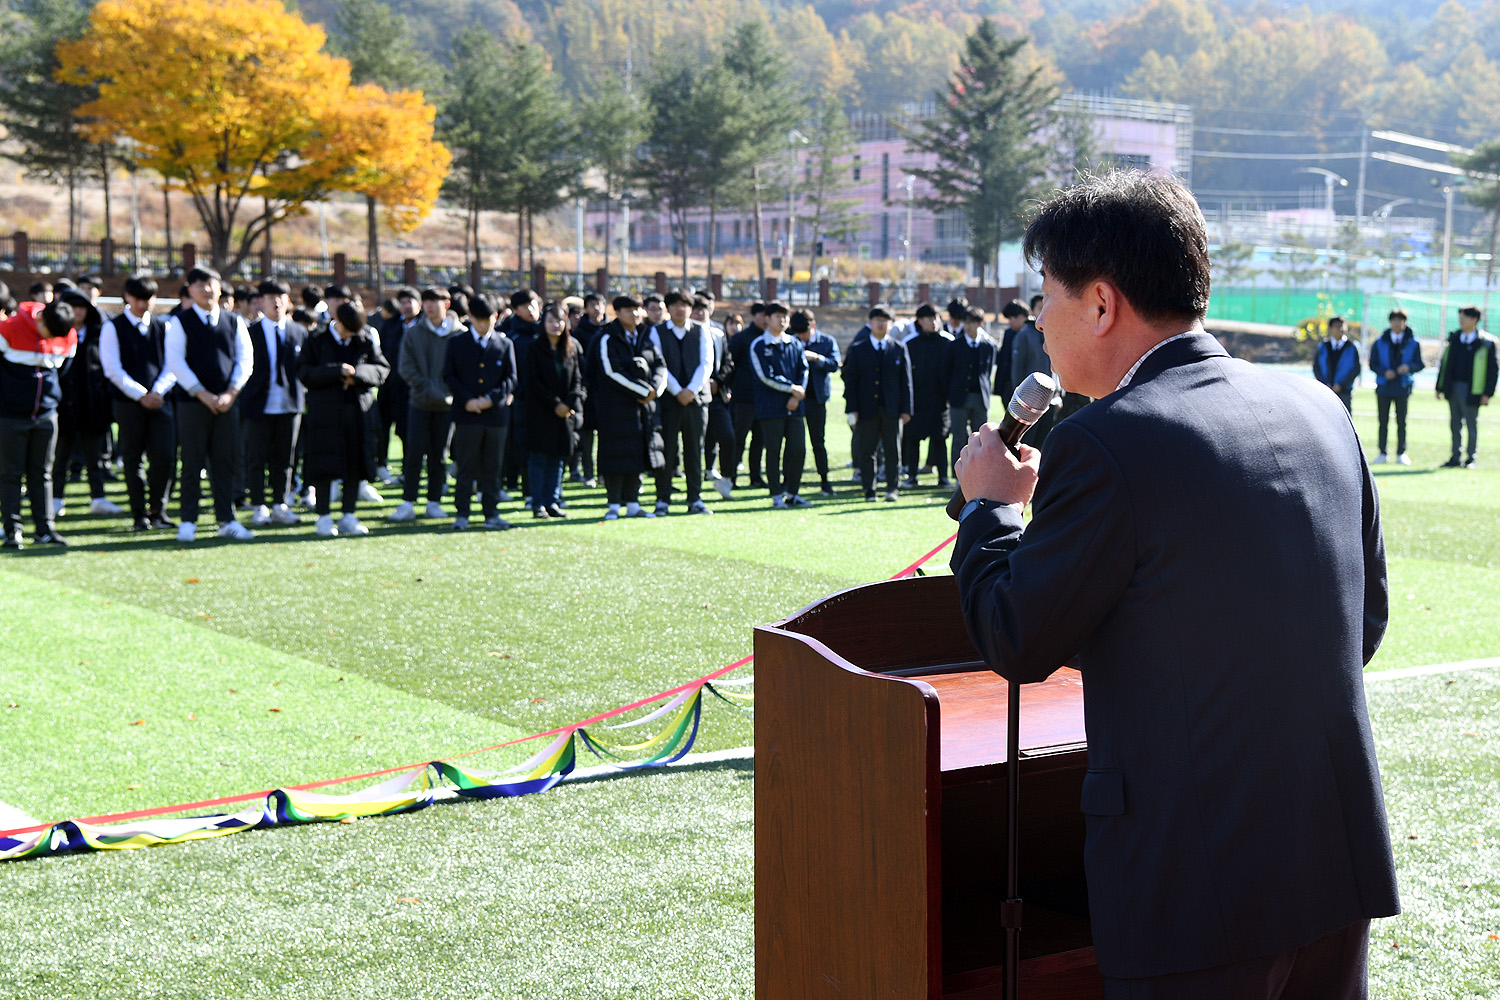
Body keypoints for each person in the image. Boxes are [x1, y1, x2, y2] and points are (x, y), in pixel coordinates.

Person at [951, 171, 1397, 997]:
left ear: (1100, 303)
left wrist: (989, 510)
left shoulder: (1107, 441)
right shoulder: (1317, 407)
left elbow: (1014, 635)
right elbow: (1359, 622)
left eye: (1043, 295)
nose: (1035, 321)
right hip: (1330, 859)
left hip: (1195, 882)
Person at [164, 266, 256, 542]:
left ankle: (226, 519)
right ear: (190, 290)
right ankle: (188, 520)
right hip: (193, 403)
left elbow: (245, 359)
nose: (206, 290)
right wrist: (201, 393)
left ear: (219, 288)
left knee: (225, 462)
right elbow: (175, 362)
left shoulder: (234, 321)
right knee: (191, 461)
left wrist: (231, 392)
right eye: (199, 285)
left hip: (227, 402)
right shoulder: (179, 322)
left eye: (211, 284)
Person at [297, 300, 389, 537]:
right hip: (325, 414)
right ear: (337, 322)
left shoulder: (364, 339)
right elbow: (304, 372)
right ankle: (324, 516)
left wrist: (357, 374)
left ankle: (349, 514)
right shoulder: (316, 339)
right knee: (324, 466)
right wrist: (337, 370)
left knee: (354, 465)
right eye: (346, 330)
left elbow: (381, 369)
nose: (349, 335)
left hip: (357, 413)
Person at [100, 276, 176, 531]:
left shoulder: (163, 326)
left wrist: (157, 392)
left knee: (164, 456)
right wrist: (141, 394)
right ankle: (139, 514)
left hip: (160, 400)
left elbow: (172, 364)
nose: (144, 304)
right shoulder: (113, 327)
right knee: (133, 459)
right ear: (128, 298)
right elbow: (112, 369)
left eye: (149, 299)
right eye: (139, 299)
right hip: (128, 403)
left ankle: (158, 510)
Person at [0, 299, 78, 548]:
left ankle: (45, 529)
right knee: (11, 474)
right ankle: (12, 530)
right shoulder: (8, 328)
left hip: (46, 415)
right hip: (11, 415)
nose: (52, 339)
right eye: (50, 333)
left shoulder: (66, 333)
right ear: (40, 318)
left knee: (43, 473)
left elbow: (62, 372)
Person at [443, 294, 517, 531]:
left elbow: (511, 379)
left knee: (493, 467)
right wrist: (468, 400)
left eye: (489, 319)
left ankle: (491, 512)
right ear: (470, 318)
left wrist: (490, 400)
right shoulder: (457, 343)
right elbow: (449, 375)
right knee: (465, 466)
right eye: (479, 319)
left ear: (496, 317)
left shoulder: (505, 344)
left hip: (495, 416)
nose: (484, 325)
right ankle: (462, 513)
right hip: (466, 415)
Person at [589, 294, 667, 520]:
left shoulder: (645, 335)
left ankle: (633, 503)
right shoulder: (607, 337)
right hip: (615, 409)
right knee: (615, 456)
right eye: (628, 310)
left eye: (637, 310)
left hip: (643, 410)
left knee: (637, 454)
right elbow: (611, 372)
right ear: (618, 313)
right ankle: (614, 503)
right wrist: (643, 392)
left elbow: (660, 365)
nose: (634, 314)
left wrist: (655, 389)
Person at [240, 279, 305, 528]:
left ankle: (281, 503)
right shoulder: (250, 331)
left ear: (288, 301)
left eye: (281, 297)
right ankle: (259, 505)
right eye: (270, 297)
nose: (276, 302)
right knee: (256, 457)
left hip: (289, 405)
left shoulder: (298, 331)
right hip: (258, 404)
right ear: (261, 301)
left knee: (285, 458)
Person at [51, 288, 120, 518]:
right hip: (64, 408)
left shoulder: (99, 334)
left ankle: (98, 498)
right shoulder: (56, 336)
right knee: (60, 457)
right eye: (73, 307)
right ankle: (56, 499)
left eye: (82, 307)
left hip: (93, 407)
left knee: (95, 458)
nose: (78, 312)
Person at [392, 286, 459, 521]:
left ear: (447, 304)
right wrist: (426, 387)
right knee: (413, 453)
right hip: (419, 402)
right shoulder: (414, 332)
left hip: (447, 405)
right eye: (426, 301)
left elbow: (461, 369)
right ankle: (408, 502)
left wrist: (446, 390)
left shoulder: (458, 334)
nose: (429, 306)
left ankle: (434, 501)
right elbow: (406, 367)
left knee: (439, 456)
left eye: (435, 301)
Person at [649, 290, 715, 515]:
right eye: (675, 305)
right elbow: (660, 364)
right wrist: (677, 390)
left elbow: (707, 364)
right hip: (668, 400)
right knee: (666, 450)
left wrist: (691, 390)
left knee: (695, 451)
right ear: (668, 308)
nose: (680, 309)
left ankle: (695, 499)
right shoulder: (656, 332)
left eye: (684, 305)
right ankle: (662, 499)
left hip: (696, 401)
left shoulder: (701, 330)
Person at [844, 305, 912, 502]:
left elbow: (906, 382)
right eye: (877, 320)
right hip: (866, 409)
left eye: (885, 320)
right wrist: (852, 409)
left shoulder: (899, 348)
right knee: (867, 450)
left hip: (892, 409)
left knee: (893, 450)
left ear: (891, 324)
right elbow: (851, 381)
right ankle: (869, 489)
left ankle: (892, 488)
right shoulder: (858, 349)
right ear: (870, 323)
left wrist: (906, 409)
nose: (881, 324)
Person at [526, 301, 585, 520]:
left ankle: (552, 501)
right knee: (539, 459)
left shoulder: (571, 347)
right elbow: (533, 381)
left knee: (558, 459)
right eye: (551, 321)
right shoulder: (534, 347)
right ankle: (538, 503)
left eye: (560, 320)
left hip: (564, 415)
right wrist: (555, 404)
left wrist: (568, 403)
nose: (555, 325)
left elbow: (578, 379)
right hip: (542, 412)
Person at [749, 301, 812, 508]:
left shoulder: (794, 343)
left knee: (798, 449)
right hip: (771, 407)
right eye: (778, 316)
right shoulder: (759, 345)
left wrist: (797, 393)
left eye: (785, 316)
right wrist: (791, 389)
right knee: (774, 451)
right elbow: (765, 376)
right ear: (767, 319)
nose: (783, 320)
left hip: (795, 406)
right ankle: (776, 494)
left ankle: (792, 492)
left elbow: (803, 370)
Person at [1435, 306, 1497, 469]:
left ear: (1474, 320)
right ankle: (1455, 456)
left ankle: (1471, 458)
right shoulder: (1454, 338)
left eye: (1465, 318)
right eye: (1460, 318)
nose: (1461, 321)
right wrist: (1440, 386)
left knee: (1471, 424)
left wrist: (1487, 393)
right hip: (1453, 386)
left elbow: (1492, 370)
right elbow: (1445, 363)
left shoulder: (1486, 343)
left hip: (1472, 390)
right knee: (1454, 423)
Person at [901, 303, 954, 488]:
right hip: (917, 401)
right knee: (913, 440)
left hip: (940, 402)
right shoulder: (910, 344)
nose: (934, 322)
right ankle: (911, 476)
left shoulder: (948, 343)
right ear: (920, 321)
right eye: (929, 318)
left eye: (936, 318)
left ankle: (943, 478)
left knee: (940, 440)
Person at [792, 308, 840, 497]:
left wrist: (816, 358)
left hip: (817, 399)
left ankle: (825, 481)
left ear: (813, 326)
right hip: (795, 398)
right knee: (794, 443)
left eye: (804, 333)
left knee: (818, 442)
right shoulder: (791, 340)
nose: (801, 337)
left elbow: (834, 364)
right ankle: (789, 480)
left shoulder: (826, 341)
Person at [500, 289, 542, 502]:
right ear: (515, 310)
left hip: (546, 400)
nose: (531, 310)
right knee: (522, 444)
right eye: (525, 306)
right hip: (522, 399)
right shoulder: (511, 336)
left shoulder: (548, 331)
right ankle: (526, 491)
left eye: (533, 304)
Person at [375, 286, 419, 484]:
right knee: (382, 427)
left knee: (408, 431)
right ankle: (381, 465)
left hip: (413, 388)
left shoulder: (424, 327)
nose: (406, 306)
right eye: (402, 303)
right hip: (389, 385)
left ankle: (407, 470)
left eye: (410, 302)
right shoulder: (391, 325)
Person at [1368, 309, 1423, 465]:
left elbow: (1419, 364)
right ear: (1390, 322)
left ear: (1405, 322)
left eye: (1400, 320)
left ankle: (1401, 452)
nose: (1397, 324)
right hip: (1384, 386)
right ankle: (1382, 452)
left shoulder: (1413, 342)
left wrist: (1408, 367)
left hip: (1403, 386)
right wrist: (1385, 372)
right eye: (1394, 320)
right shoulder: (1380, 341)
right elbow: (1373, 363)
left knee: (1401, 421)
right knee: (1383, 421)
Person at [948, 306, 998, 478]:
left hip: (980, 398)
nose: (968, 326)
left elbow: (988, 370)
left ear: (980, 324)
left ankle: (979, 474)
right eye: (966, 322)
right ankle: (957, 475)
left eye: (972, 322)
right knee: (959, 437)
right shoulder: (954, 345)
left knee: (980, 439)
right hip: (959, 398)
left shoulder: (988, 346)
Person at [726, 301, 769, 489]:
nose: (765, 319)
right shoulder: (741, 338)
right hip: (744, 397)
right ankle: (731, 476)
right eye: (762, 315)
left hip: (764, 398)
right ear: (754, 316)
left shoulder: (771, 337)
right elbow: (728, 365)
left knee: (759, 440)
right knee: (738, 438)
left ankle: (756, 477)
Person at [704, 306, 738, 497]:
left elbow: (728, 363)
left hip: (716, 396)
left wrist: (717, 382)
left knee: (727, 436)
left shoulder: (717, 333)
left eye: (705, 308)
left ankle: (725, 478)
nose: (701, 313)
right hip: (685, 395)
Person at [1314, 316, 1360, 413]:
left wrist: (1341, 385)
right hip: (1326, 391)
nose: (1340, 328)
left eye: (1342, 326)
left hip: (1345, 391)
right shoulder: (1323, 347)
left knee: (1345, 421)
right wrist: (1324, 384)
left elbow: (1356, 369)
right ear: (1330, 328)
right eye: (1336, 326)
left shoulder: (1352, 347)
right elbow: (1316, 367)